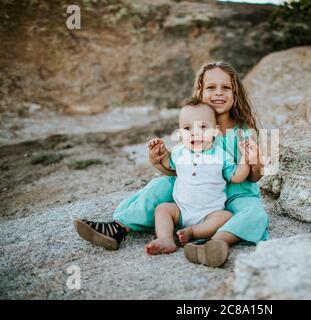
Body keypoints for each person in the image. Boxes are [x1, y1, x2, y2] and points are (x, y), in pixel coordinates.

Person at [74, 61, 269, 267]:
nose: (218, 93)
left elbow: (258, 176)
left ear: (236, 92)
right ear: (200, 91)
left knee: (256, 213)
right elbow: (178, 170)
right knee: (160, 185)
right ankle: (119, 228)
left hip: (237, 192)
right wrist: (158, 161)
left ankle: (215, 243)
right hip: (194, 190)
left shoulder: (249, 130)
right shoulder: (191, 125)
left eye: (226, 87)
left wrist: (254, 161)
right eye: (211, 87)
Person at [143, 101, 251, 267]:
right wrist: (160, 152)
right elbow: (167, 163)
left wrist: (245, 159)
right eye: (187, 129)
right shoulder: (179, 152)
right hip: (181, 210)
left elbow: (237, 177)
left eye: (202, 127)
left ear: (216, 131)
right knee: (163, 209)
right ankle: (165, 239)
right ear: (180, 133)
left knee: (226, 217)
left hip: (210, 213)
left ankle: (193, 232)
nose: (195, 133)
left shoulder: (221, 155)